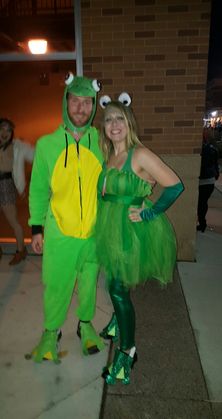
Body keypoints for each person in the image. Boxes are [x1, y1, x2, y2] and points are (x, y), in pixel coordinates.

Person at [95, 94, 184, 385]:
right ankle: (118, 322)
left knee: (118, 290)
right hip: (109, 227)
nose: (114, 124)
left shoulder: (140, 154)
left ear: (129, 122)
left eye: (120, 118)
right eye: (109, 119)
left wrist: (149, 212)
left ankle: (127, 352)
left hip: (129, 231)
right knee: (113, 282)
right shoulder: (109, 154)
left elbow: (175, 186)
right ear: (104, 127)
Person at [28, 73, 105, 363]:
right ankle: (51, 332)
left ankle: (85, 326)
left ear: (94, 106)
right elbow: (37, 189)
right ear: (65, 102)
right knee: (57, 284)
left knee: (88, 283)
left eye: (88, 102)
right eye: (76, 101)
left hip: (94, 233)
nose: (82, 108)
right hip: (59, 231)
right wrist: (37, 228)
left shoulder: (101, 140)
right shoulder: (47, 145)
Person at [0, 118, 34, 265]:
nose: (5, 132)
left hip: (6, 185)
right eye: (2, 128)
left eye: (8, 130)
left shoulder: (17, 146)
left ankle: (21, 250)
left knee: (13, 221)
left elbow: (35, 155)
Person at [197, 137, 219, 232]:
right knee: (203, 203)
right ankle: (202, 224)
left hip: (203, 181)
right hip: (210, 180)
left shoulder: (202, 151)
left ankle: (202, 224)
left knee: (201, 204)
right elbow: (215, 164)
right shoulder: (212, 149)